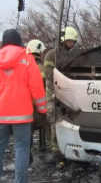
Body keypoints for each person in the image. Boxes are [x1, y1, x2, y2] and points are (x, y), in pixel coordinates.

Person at [0, 29, 47, 183]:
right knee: (21, 148)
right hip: (22, 115)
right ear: (19, 41)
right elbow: (37, 87)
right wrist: (42, 108)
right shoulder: (27, 59)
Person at [43, 27, 78, 166]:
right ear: (63, 40)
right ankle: (58, 156)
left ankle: (71, 152)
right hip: (53, 96)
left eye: (73, 42)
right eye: (70, 41)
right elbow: (49, 75)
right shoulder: (51, 55)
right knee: (55, 125)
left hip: (69, 96)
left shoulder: (72, 55)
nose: (72, 44)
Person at [26, 39, 47, 164]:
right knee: (50, 124)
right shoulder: (39, 67)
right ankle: (49, 149)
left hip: (24, 105)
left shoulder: (24, 64)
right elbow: (42, 87)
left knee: (27, 132)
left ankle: (27, 155)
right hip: (36, 106)